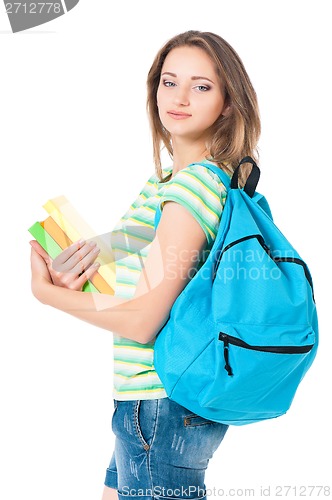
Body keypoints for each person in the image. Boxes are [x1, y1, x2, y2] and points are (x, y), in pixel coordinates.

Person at [30, 30, 260, 500]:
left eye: (201, 86)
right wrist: (66, 261)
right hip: (150, 403)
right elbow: (113, 252)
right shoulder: (164, 184)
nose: (178, 98)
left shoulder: (192, 188)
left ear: (229, 104)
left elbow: (142, 320)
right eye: (168, 82)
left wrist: (47, 295)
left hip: (160, 403)